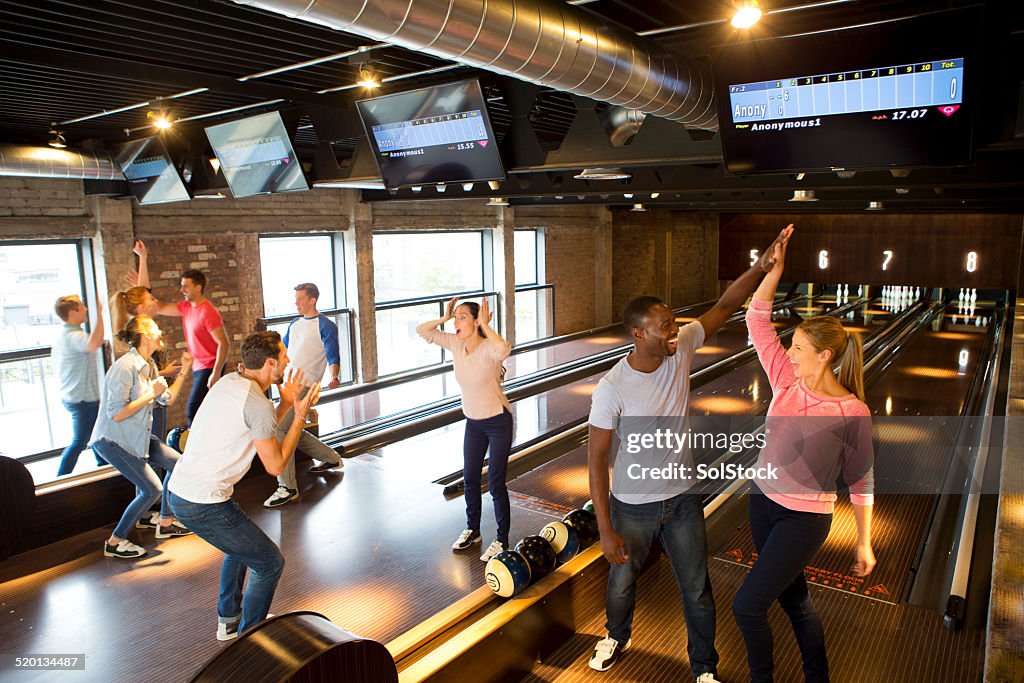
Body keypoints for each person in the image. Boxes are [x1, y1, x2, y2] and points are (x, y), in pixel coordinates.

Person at [586, 225, 793, 679]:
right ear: (639, 335)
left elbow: (723, 306)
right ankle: (615, 636)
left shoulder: (680, 350)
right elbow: (597, 461)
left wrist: (759, 269)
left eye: (675, 323)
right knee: (621, 584)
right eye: (665, 327)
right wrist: (605, 528)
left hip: (682, 500)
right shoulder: (612, 389)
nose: (675, 331)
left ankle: (703, 667)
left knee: (697, 590)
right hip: (633, 506)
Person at [734, 230, 875, 683]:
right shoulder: (786, 382)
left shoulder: (853, 411)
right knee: (795, 600)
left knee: (747, 606)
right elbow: (757, 321)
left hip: (803, 520)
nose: (788, 354)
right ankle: (819, 676)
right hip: (762, 503)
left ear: (825, 356)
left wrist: (864, 540)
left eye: (797, 349)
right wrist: (772, 272)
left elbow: (861, 479)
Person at [167, 331, 320, 641]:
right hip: (203, 502)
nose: (289, 362)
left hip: (184, 492)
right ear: (271, 363)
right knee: (269, 562)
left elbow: (260, 427)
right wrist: (300, 415)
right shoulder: (257, 403)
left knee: (238, 548)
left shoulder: (231, 383)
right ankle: (252, 637)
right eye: (285, 357)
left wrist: (287, 402)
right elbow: (275, 465)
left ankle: (230, 619)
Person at [90, 316, 194, 559]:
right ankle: (115, 541)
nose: (161, 333)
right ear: (146, 335)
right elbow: (116, 413)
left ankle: (166, 523)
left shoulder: (149, 366)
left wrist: (184, 373)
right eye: (156, 329)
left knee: (177, 465)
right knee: (151, 489)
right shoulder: (124, 367)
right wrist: (151, 395)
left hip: (139, 436)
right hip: (113, 440)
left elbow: (165, 399)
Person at [417, 297, 512, 562]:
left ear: (475, 321)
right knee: (470, 478)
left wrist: (485, 325)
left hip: (497, 421)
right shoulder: (456, 344)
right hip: (473, 422)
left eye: (462, 317)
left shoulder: (488, 348)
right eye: (456, 317)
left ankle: (502, 540)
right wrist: (444, 318)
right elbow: (422, 330)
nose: (457, 322)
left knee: (495, 482)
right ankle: (473, 529)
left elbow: (504, 348)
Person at [263, 282, 345, 509]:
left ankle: (287, 487)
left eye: (300, 299)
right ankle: (331, 458)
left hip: (306, 385)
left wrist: (334, 376)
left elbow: (332, 354)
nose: (296, 303)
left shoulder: (325, 325)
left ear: (312, 300)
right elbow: (285, 352)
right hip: (289, 386)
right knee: (292, 430)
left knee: (280, 429)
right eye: (296, 299)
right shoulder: (295, 323)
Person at [152, 269, 230, 424]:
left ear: (198, 287)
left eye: (185, 286)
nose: (182, 290)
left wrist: (215, 373)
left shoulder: (208, 312)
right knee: (206, 411)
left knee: (193, 411)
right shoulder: (186, 308)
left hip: (209, 367)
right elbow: (159, 307)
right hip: (198, 367)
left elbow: (224, 343)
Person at [53, 295, 105, 476]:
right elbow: (93, 344)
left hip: (74, 397)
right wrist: (100, 314)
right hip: (82, 399)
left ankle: (104, 467)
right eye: (82, 307)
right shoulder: (74, 336)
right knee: (81, 441)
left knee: (97, 436)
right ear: (72, 312)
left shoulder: (67, 335)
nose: (86, 309)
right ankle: (60, 480)